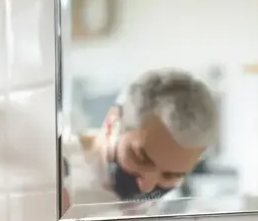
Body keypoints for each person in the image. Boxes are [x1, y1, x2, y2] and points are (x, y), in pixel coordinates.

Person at [69, 68, 219, 202]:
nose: (146, 186)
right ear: (111, 124)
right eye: (141, 158)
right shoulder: (54, 169)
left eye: (170, 176)